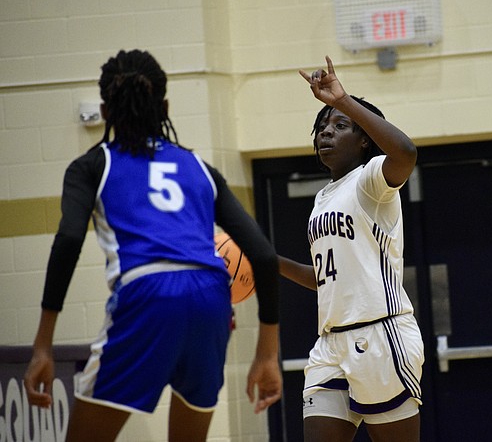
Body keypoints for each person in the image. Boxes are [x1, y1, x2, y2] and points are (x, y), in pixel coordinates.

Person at [23, 49, 282, 442]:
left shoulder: (93, 165)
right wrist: (266, 355)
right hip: (213, 297)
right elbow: (262, 254)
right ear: (165, 107)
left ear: (106, 112)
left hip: (148, 292)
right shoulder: (199, 168)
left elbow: (69, 240)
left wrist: (43, 345)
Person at [278, 56, 424, 442]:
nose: (326, 132)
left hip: (381, 336)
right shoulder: (323, 198)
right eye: (323, 126)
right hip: (329, 344)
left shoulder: (370, 181)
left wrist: (342, 100)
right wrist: (268, 261)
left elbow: (406, 153)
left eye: (339, 125)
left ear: (364, 141)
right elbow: (325, 279)